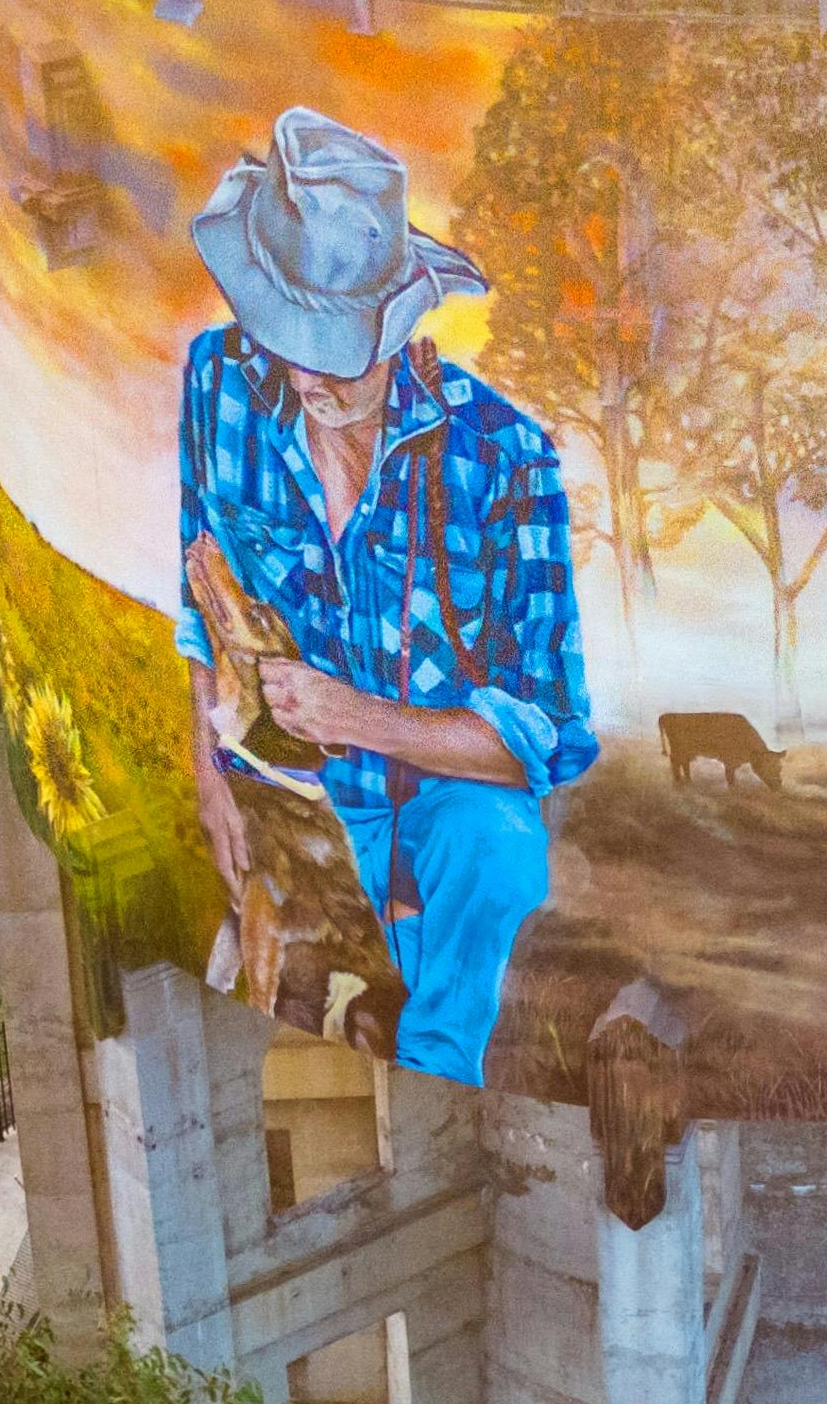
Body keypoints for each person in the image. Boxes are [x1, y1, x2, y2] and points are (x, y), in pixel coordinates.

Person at [170, 106, 598, 1088]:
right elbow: (198, 594)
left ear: (401, 326)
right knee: (254, 981)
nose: (315, 377)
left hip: (436, 805)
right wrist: (207, 775)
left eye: (342, 347)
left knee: (501, 847)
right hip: (284, 798)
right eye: (291, 339)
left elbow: (547, 735)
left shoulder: (507, 455)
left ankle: (434, 1074)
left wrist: (353, 716)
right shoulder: (217, 382)